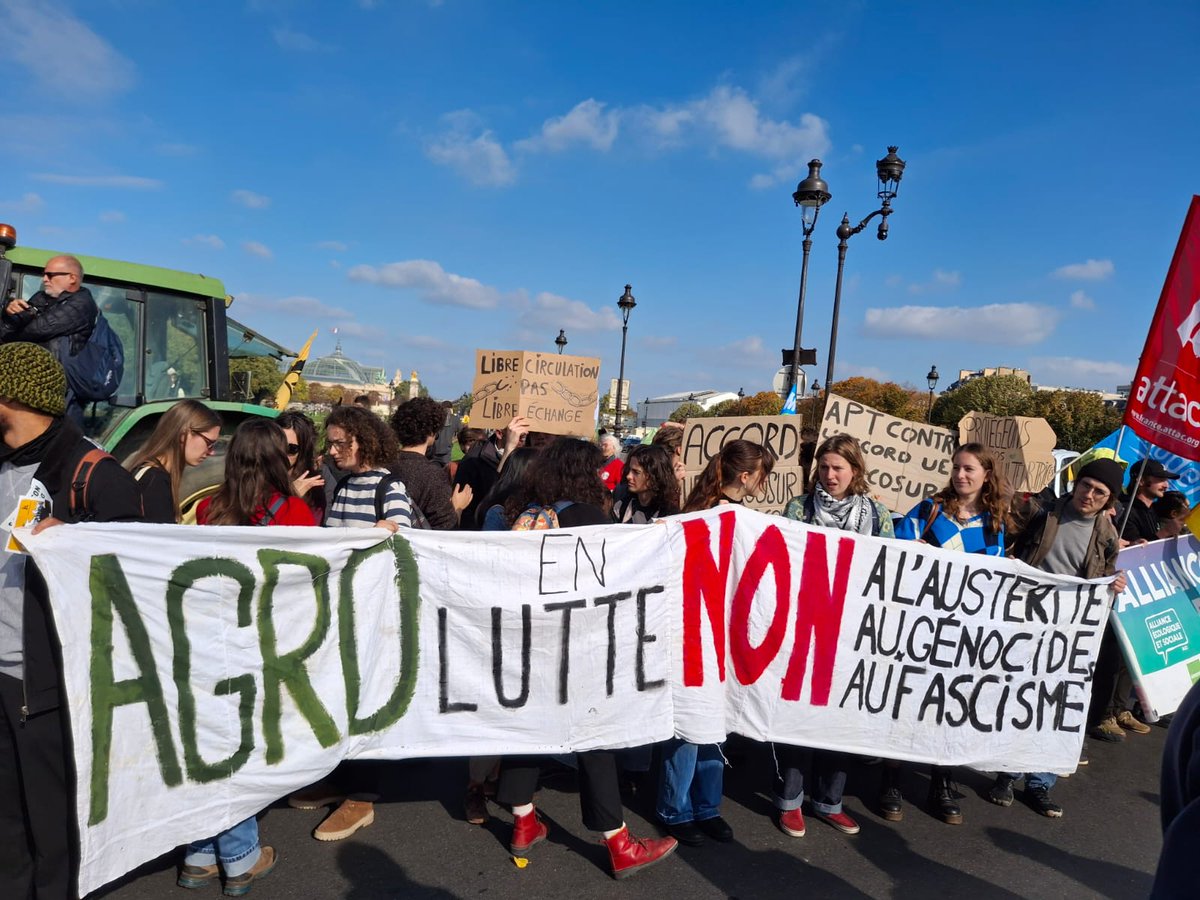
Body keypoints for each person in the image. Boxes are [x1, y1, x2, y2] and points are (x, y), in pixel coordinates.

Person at [495, 438, 678, 879]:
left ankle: (523, 822)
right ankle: (618, 841)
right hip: (581, 648)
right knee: (595, 735)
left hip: (531, 644)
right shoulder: (590, 518)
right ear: (582, 472)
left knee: (528, 729)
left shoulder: (527, 516)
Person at [0, 343, 143, 899]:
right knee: (6, 824)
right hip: (2, 677)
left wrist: (76, 547)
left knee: (56, 833)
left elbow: (137, 586)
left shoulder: (94, 475)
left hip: (49, 688)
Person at [181, 419, 312, 894]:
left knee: (211, 745)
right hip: (263, 645)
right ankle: (239, 855)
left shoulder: (209, 508)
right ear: (280, 458)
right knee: (246, 750)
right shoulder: (294, 510)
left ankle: (198, 850)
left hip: (211, 643)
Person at [287, 404, 411, 841]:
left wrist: (383, 530)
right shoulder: (345, 486)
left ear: (365, 440)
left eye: (342, 442)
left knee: (365, 700)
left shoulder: (387, 483)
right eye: (332, 442)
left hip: (371, 617)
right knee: (341, 699)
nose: (334, 450)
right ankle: (341, 779)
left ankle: (363, 796)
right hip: (341, 612)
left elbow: (402, 525)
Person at [988, 458, 1127, 818]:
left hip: (1069, 632)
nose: (1090, 495)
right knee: (1017, 696)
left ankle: (1040, 783)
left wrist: (1116, 583)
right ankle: (1006, 773)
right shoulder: (1043, 513)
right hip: (1026, 620)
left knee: (1055, 704)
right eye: (1086, 486)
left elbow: (1107, 576)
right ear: (1075, 484)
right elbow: (1004, 541)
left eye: (1100, 492)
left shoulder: (1107, 534)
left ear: (1108, 500)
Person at [655, 439, 775, 846]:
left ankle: (707, 807)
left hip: (726, 637)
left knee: (716, 725)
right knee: (690, 726)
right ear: (746, 476)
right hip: (693, 635)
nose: (765, 482)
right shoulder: (701, 515)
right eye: (763, 474)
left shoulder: (744, 519)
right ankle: (674, 809)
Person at [774, 434, 891, 840]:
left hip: (851, 630)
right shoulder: (798, 508)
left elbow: (888, 567)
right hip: (803, 625)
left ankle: (829, 801)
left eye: (838, 467)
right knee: (798, 716)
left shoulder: (876, 513)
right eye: (823, 467)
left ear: (854, 471)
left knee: (840, 719)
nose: (829, 475)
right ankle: (790, 800)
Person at [890, 443, 1010, 825]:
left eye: (969, 468)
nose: (961, 474)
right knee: (906, 699)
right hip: (920, 624)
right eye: (957, 467)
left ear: (986, 474)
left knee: (947, 706)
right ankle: (891, 779)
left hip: (961, 632)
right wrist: (912, 546)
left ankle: (941, 782)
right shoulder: (930, 510)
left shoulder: (995, 522)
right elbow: (895, 542)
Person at [0, 255, 99, 424]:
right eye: (44, 274)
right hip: (33, 382)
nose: (44, 279)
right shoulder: (42, 298)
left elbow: (35, 331)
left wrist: (18, 323)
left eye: (51, 275)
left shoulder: (81, 305)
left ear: (72, 278)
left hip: (60, 389)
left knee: (55, 441)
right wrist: (9, 313)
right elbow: (5, 332)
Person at [124, 399, 222, 522]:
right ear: (183, 434)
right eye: (209, 443)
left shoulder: (148, 472)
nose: (211, 452)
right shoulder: (155, 482)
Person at [389, 397, 472, 529]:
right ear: (432, 432)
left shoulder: (383, 465)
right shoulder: (433, 475)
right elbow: (445, 530)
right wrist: (457, 508)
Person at [276, 410, 326, 525]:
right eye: (277, 446)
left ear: (303, 452)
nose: (282, 453)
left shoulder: (313, 489)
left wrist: (292, 500)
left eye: (291, 449)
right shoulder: (256, 478)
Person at [612, 444, 681, 522]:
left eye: (636, 472)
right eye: (629, 470)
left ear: (654, 475)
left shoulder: (668, 514)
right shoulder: (621, 507)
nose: (629, 476)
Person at [1119, 458, 1179, 546]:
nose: (1166, 485)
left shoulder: (1153, 510)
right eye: (1161, 479)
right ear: (1141, 481)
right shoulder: (1126, 511)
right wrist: (1165, 532)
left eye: (1166, 480)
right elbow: (1134, 551)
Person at [431, 400, 461, 467]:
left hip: (434, 450)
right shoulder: (455, 419)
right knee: (445, 474)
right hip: (446, 452)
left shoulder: (436, 418)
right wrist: (453, 441)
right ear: (451, 409)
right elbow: (462, 433)